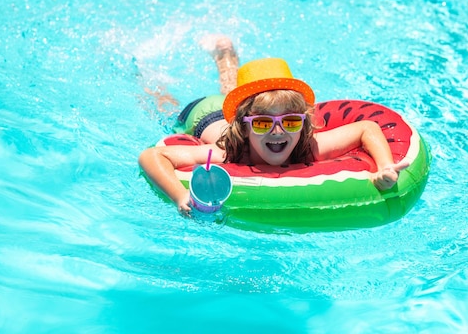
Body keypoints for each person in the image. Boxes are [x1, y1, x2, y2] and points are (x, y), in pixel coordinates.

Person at [139, 36, 409, 213]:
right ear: (245, 128)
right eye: (263, 124)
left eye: (291, 121)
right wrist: (179, 195)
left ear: (303, 124)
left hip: (241, 110)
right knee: (165, 107)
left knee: (237, 92)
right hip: (205, 115)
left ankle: (225, 53)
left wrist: (385, 167)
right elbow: (153, 155)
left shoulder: (310, 146)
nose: (277, 130)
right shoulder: (227, 153)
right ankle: (146, 77)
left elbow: (367, 128)